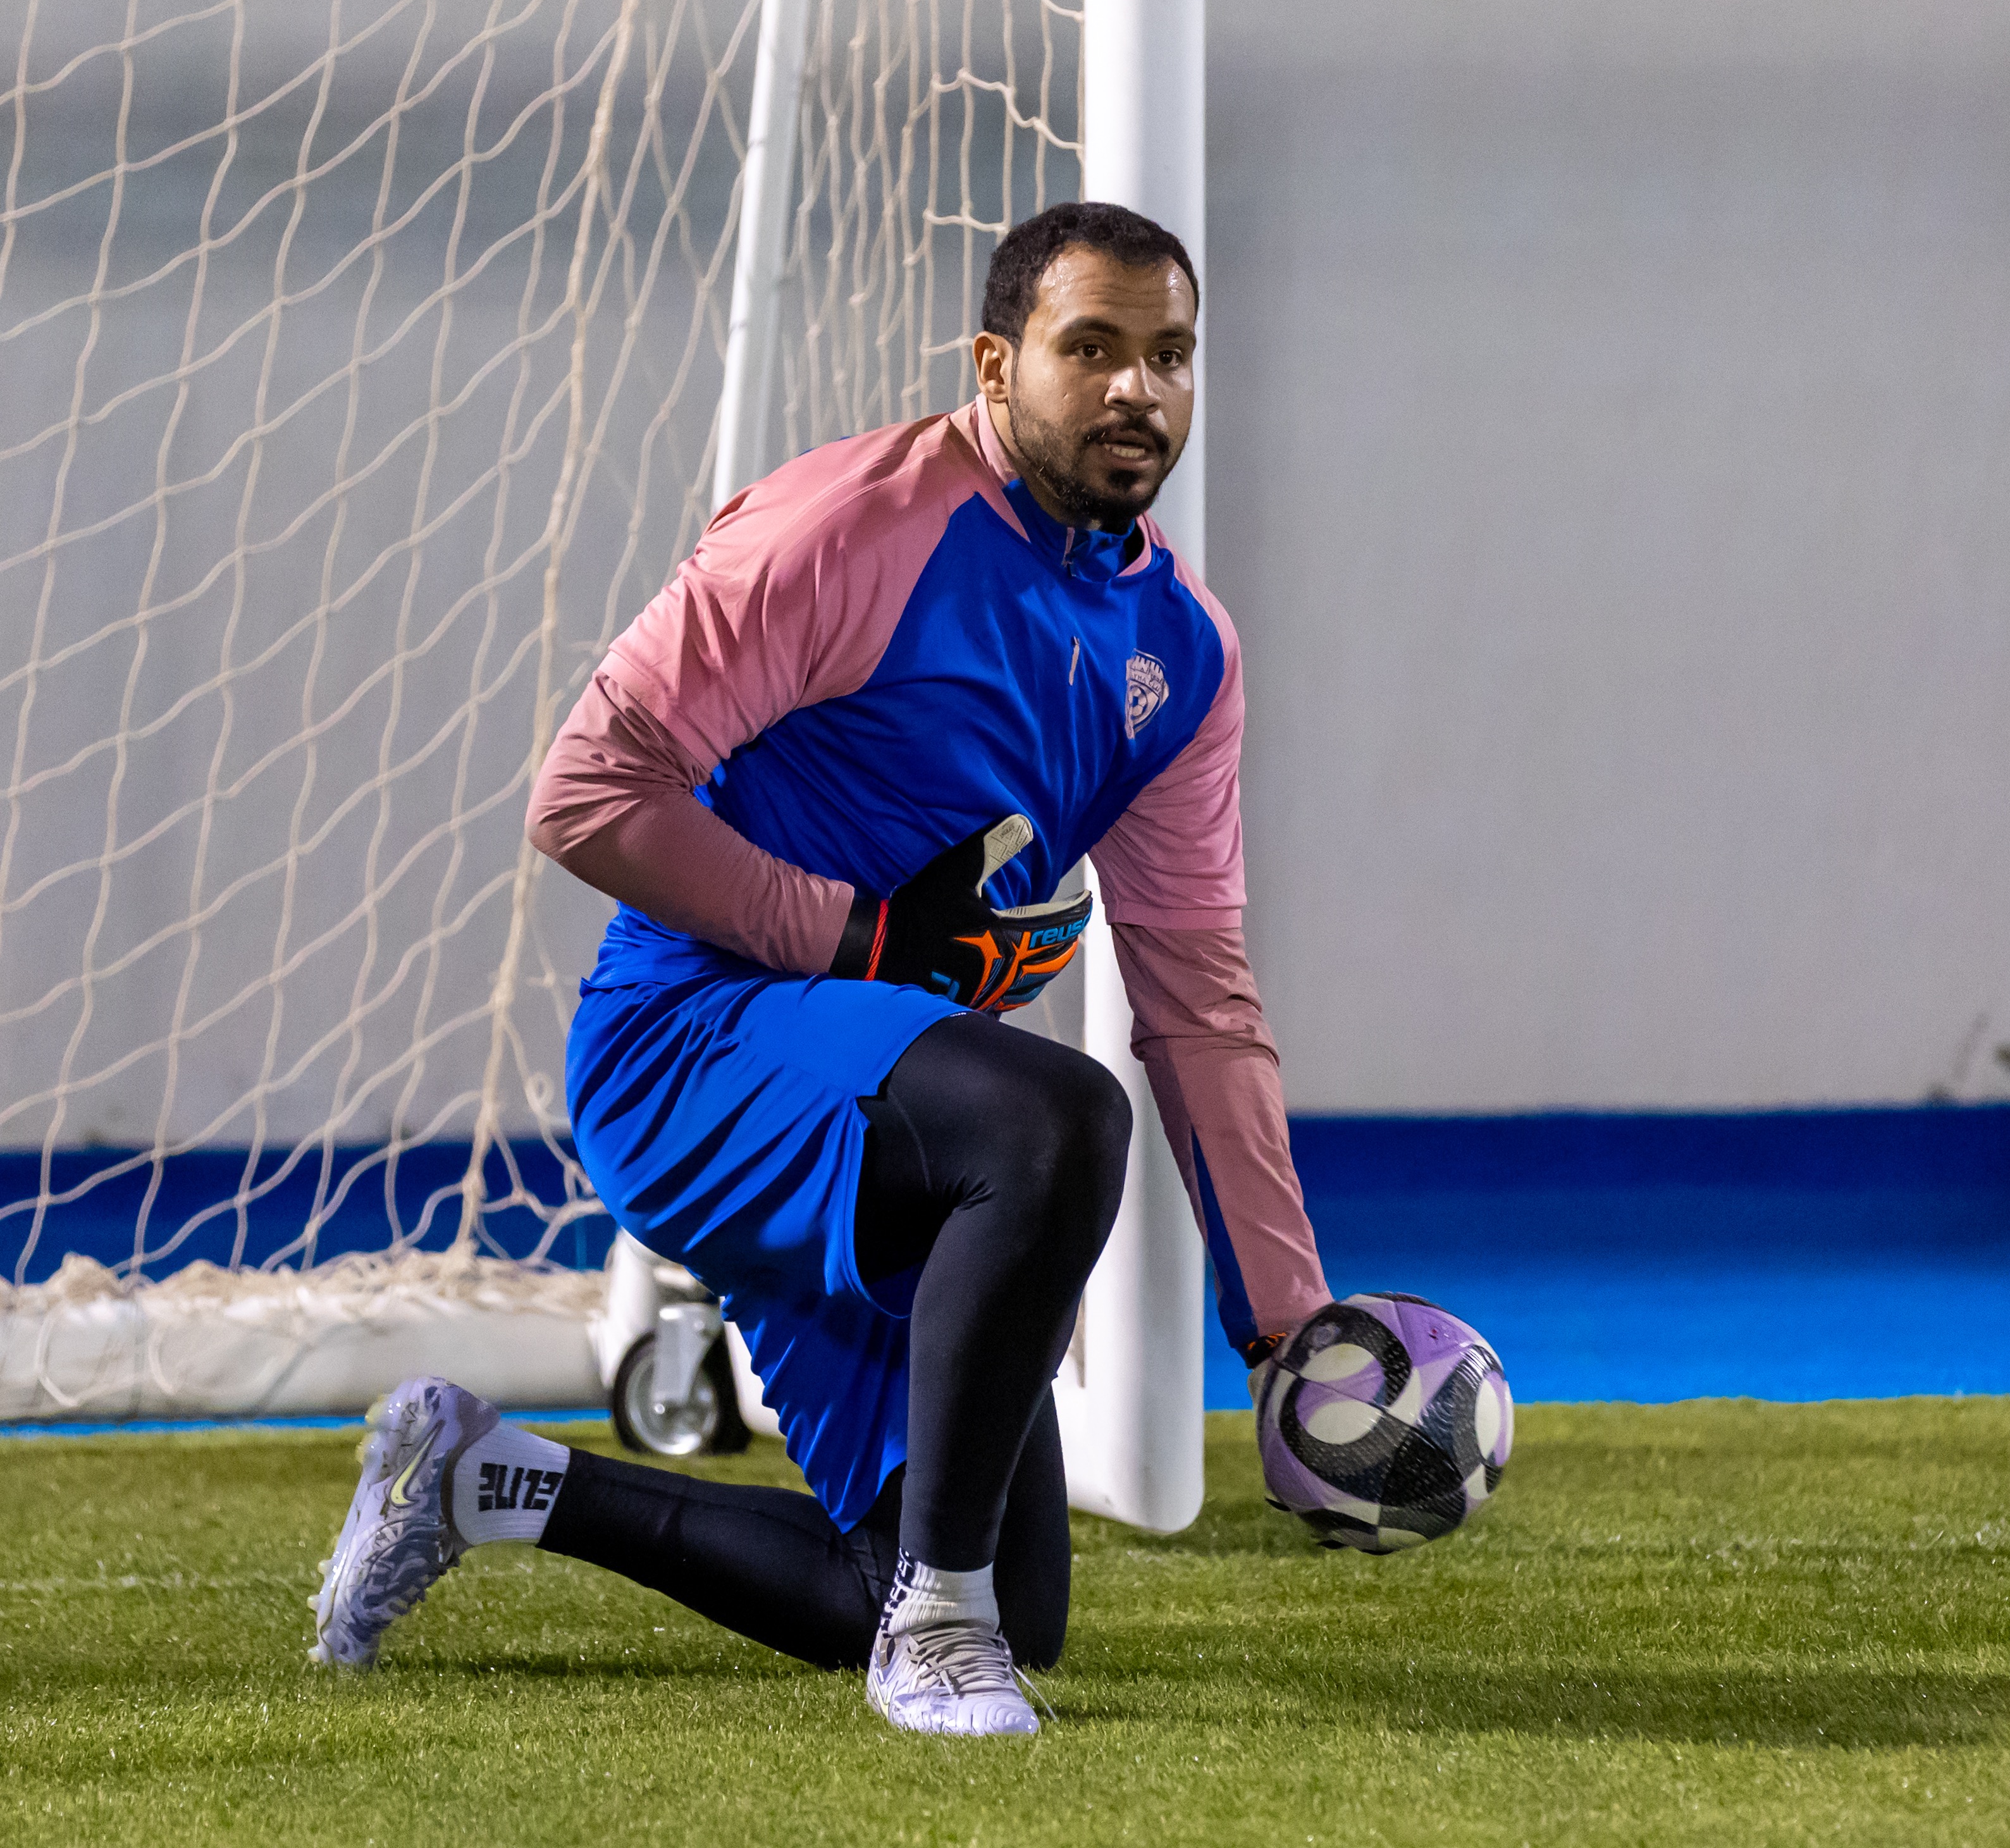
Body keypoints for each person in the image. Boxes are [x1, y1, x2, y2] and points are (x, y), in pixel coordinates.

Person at [309, 201, 1333, 1737]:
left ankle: (475, 1474)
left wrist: (1289, 1329)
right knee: (1057, 1123)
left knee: (1014, 1597)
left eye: (1169, 356)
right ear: (996, 364)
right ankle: (935, 1639)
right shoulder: (841, 529)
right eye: (1093, 348)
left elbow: (1198, 993)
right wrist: (851, 938)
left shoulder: (1179, 653)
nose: (1137, 389)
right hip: (693, 1048)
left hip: (899, 1121)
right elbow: (585, 793)